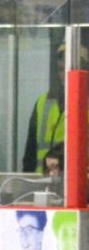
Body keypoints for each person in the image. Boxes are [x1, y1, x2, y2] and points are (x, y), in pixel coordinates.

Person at [22, 43, 88, 172]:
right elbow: (30, 156)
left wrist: (61, 155)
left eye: (72, 68)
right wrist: (27, 182)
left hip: (78, 182)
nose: (65, 73)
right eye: (62, 68)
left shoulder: (84, 102)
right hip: (43, 182)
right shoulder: (43, 102)